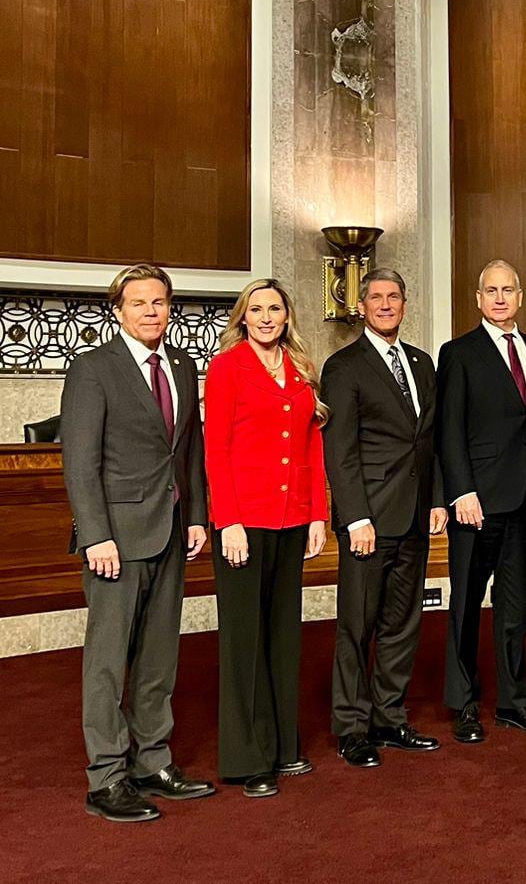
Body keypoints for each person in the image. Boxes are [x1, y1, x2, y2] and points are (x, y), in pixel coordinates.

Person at [62, 264, 215, 822]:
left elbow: (188, 451)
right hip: (116, 539)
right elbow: (80, 463)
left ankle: (153, 761)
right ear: (118, 310)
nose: (151, 311)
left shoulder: (182, 365)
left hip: (173, 530)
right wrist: (96, 534)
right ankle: (106, 777)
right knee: (107, 660)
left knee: (158, 657)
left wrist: (197, 516)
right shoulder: (92, 368)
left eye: (160, 302)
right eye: (139, 303)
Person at [204, 279, 328, 798]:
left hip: (291, 516)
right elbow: (216, 450)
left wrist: (318, 513)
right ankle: (246, 756)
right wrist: (227, 520)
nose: (266, 317)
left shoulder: (300, 369)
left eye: (275, 308)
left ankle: (282, 746)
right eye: (256, 309)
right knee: (244, 639)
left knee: (283, 634)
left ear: (286, 315)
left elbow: (312, 444)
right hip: (245, 521)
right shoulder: (227, 367)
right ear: (243, 316)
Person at [321, 268, 449, 768]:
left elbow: (430, 441)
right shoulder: (344, 366)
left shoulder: (421, 363)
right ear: (363, 306)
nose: (385, 304)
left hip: (415, 515)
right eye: (376, 297)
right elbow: (341, 450)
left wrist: (437, 499)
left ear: (405, 303)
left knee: (402, 623)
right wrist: (354, 516)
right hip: (368, 520)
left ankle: (389, 716)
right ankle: (352, 727)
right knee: (358, 625)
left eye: (394, 296)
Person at [437, 259, 526, 742]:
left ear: (521, 296)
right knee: (466, 603)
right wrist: (461, 491)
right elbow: (449, 429)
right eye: (492, 290)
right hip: (477, 502)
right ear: (478, 298)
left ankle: (514, 702)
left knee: (515, 606)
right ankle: (463, 703)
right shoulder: (459, 353)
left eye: (508, 289)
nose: (501, 298)